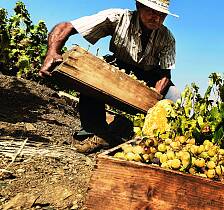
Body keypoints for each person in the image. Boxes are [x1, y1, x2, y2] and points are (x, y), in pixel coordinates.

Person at [38, 0, 180, 153]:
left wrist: (153, 98)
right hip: (118, 66)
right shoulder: (118, 18)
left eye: (162, 15)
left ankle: (158, 141)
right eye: (152, 12)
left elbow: (165, 74)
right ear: (139, 6)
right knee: (92, 73)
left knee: (174, 96)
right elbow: (66, 27)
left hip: (148, 75)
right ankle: (96, 131)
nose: (156, 18)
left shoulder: (167, 38)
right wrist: (52, 52)